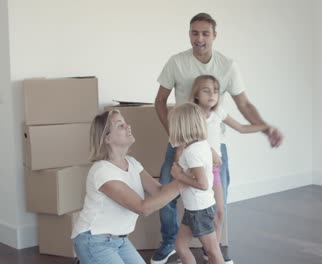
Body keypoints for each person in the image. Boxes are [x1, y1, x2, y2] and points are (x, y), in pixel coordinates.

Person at [152, 12, 284, 264]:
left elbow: (244, 105)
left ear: (214, 35)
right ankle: (170, 242)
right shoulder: (177, 62)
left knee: (216, 202)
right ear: (189, 33)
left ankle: (211, 250)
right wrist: (173, 134)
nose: (199, 38)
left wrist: (266, 129)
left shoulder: (226, 66)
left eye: (205, 33)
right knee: (166, 195)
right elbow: (160, 101)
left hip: (211, 150)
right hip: (180, 145)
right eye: (194, 32)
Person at [71, 109, 183, 264]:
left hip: (121, 241)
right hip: (94, 240)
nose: (128, 126)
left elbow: (159, 191)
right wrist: (183, 182)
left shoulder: (132, 163)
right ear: (107, 138)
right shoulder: (102, 171)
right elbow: (142, 208)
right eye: (120, 125)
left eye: (125, 123)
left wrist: (186, 178)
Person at [189, 74, 269, 256]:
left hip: (215, 170)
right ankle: (189, 247)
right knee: (198, 213)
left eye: (215, 91)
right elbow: (191, 139)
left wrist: (264, 127)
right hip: (198, 170)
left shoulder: (219, 113)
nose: (211, 95)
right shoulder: (191, 114)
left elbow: (241, 128)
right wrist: (211, 152)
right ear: (196, 94)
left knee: (219, 211)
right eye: (206, 90)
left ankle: (212, 252)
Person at [168, 102, 224, 264]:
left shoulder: (192, 152)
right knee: (180, 246)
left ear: (181, 127)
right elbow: (218, 161)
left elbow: (203, 184)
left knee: (213, 252)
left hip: (199, 210)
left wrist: (179, 175)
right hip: (194, 208)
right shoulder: (202, 145)